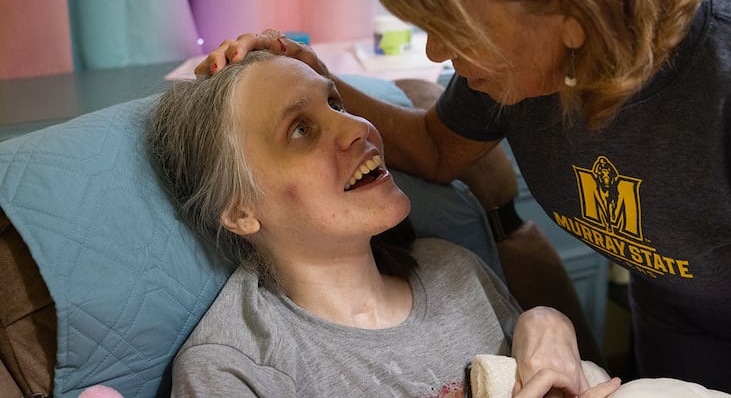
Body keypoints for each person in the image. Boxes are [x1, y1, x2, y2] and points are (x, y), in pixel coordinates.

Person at [198, 0, 731, 396]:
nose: (437, 53)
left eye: (457, 29)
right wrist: (315, 74)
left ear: (572, 10)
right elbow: (435, 149)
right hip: (686, 315)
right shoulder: (522, 62)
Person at [147, 51, 621, 397]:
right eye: (300, 129)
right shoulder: (235, 372)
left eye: (335, 103)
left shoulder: (455, 270)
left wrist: (546, 322)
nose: (358, 127)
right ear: (240, 210)